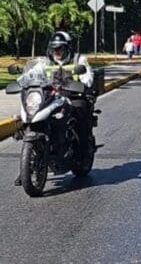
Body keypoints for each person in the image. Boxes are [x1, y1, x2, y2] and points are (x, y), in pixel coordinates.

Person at [15, 31, 95, 186]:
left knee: (80, 114)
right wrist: (20, 82)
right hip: (51, 95)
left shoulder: (79, 60)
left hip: (74, 95)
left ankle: (83, 151)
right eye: (54, 49)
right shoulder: (44, 63)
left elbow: (88, 78)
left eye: (60, 49)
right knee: (30, 120)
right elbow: (30, 75)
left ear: (67, 49)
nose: (56, 53)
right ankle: (27, 168)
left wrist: (83, 83)